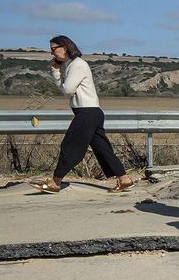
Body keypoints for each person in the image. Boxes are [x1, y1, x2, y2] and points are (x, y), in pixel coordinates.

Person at [34, 35, 132, 194]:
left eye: (54, 49)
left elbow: (67, 90)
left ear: (64, 48)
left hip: (86, 113)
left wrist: (56, 74)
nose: (52, 53)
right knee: (103, 149)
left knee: (70, 146)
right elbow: (68, 90)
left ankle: (55, 182)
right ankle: (124, 180)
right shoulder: (72, 65)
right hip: (91, 112)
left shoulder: (77, 65)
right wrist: (58, 73)